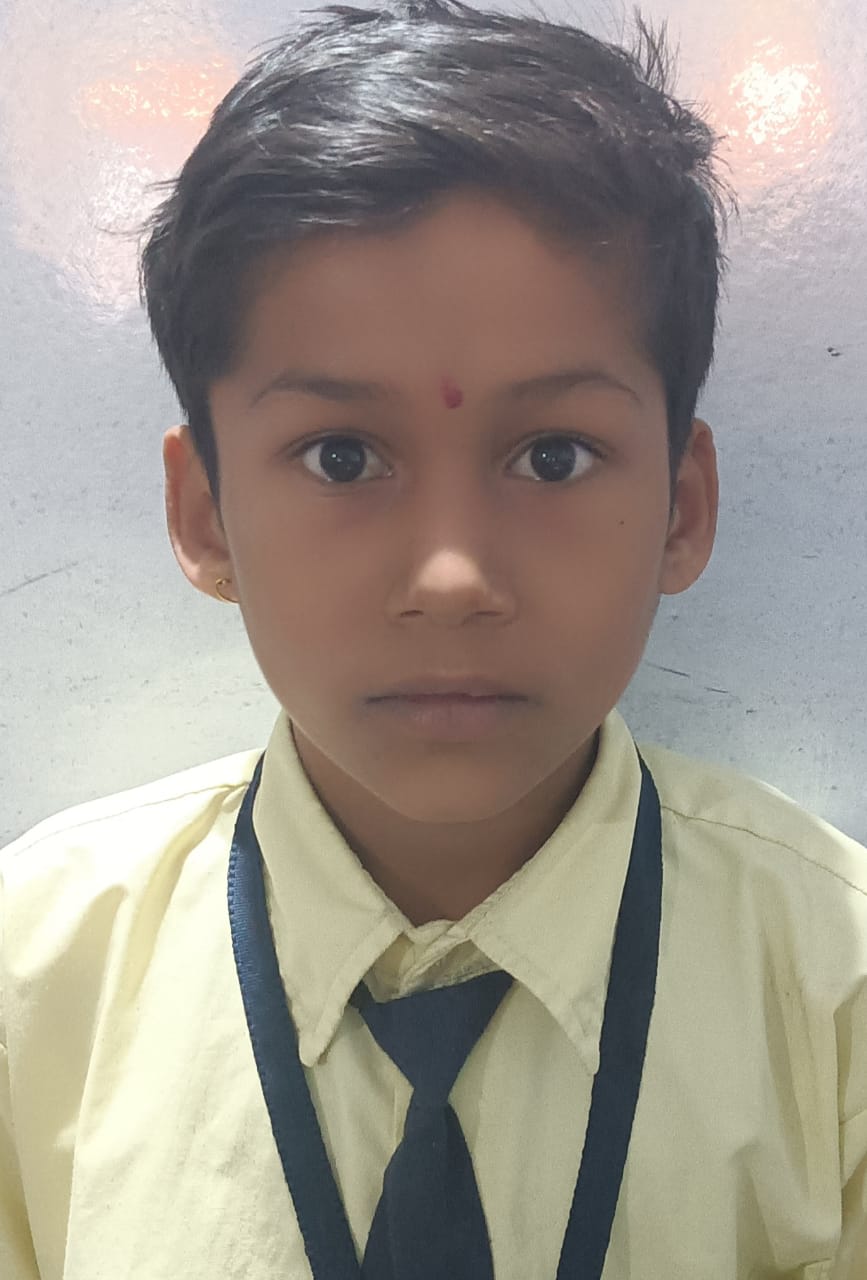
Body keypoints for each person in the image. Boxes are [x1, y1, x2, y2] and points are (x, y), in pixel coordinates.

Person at [2, 1, 865, 1275]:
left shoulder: (838, 992)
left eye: (553, 455)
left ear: (681, 510)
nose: (453, 578)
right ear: (204, 514)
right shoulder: (31, 983)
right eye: (342, 457)